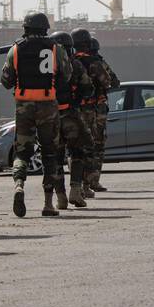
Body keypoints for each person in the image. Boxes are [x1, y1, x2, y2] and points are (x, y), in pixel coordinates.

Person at [0, 12, 71, 217]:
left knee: (22, 153)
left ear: (25, 29)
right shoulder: (56, 49)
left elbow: (6, 81)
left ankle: (19, 186)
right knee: (50, 153)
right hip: (48, 104)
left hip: (24, 106)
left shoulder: (15, 50)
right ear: (45, 29)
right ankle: (48, 203)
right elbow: (66, 76)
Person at [49, 31, 95, 209]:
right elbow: (88, 87)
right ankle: (75, 190)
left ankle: (60, 197)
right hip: (71, 115)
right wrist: (76, 102)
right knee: (78, 152)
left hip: (50, 117)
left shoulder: (47, 67)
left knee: (56, 158)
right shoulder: (75, 64)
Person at [71, 29, 118, 195]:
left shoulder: (69, 61)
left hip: (72, 109)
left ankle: (76, 184)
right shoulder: (94, 62)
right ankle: (91, 182)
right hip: (93, 109)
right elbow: (110, 82)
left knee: (76, 147)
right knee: (95, 146)